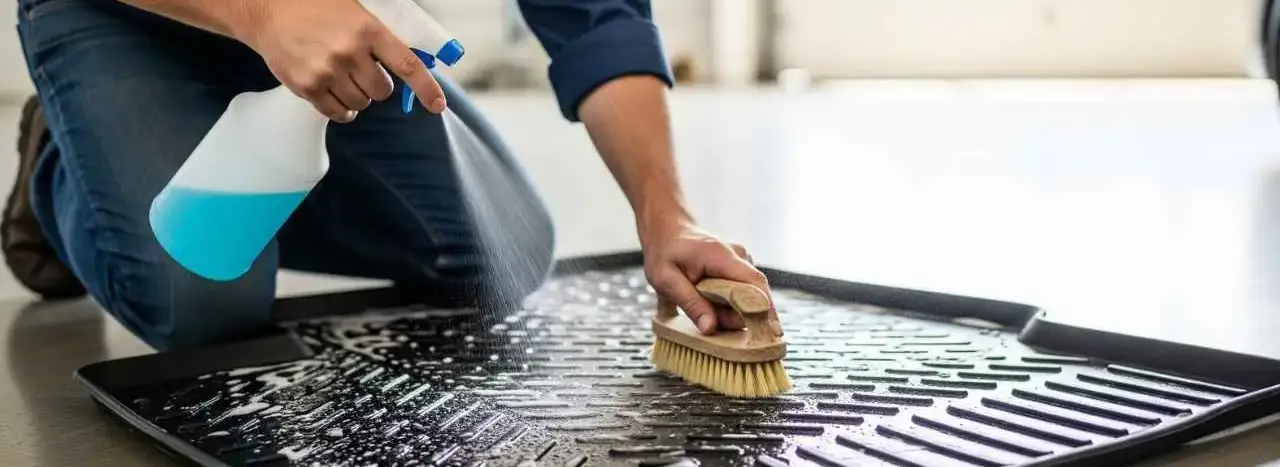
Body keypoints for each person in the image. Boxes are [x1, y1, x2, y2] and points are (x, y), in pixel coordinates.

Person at [1, 0, 774, 350]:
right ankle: (62, 166)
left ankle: (233, 157)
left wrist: (664, 211)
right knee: (199, 300)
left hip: (338, 22)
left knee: (499, 254)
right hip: (129, 14)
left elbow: (596, 16)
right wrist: (265, 14)